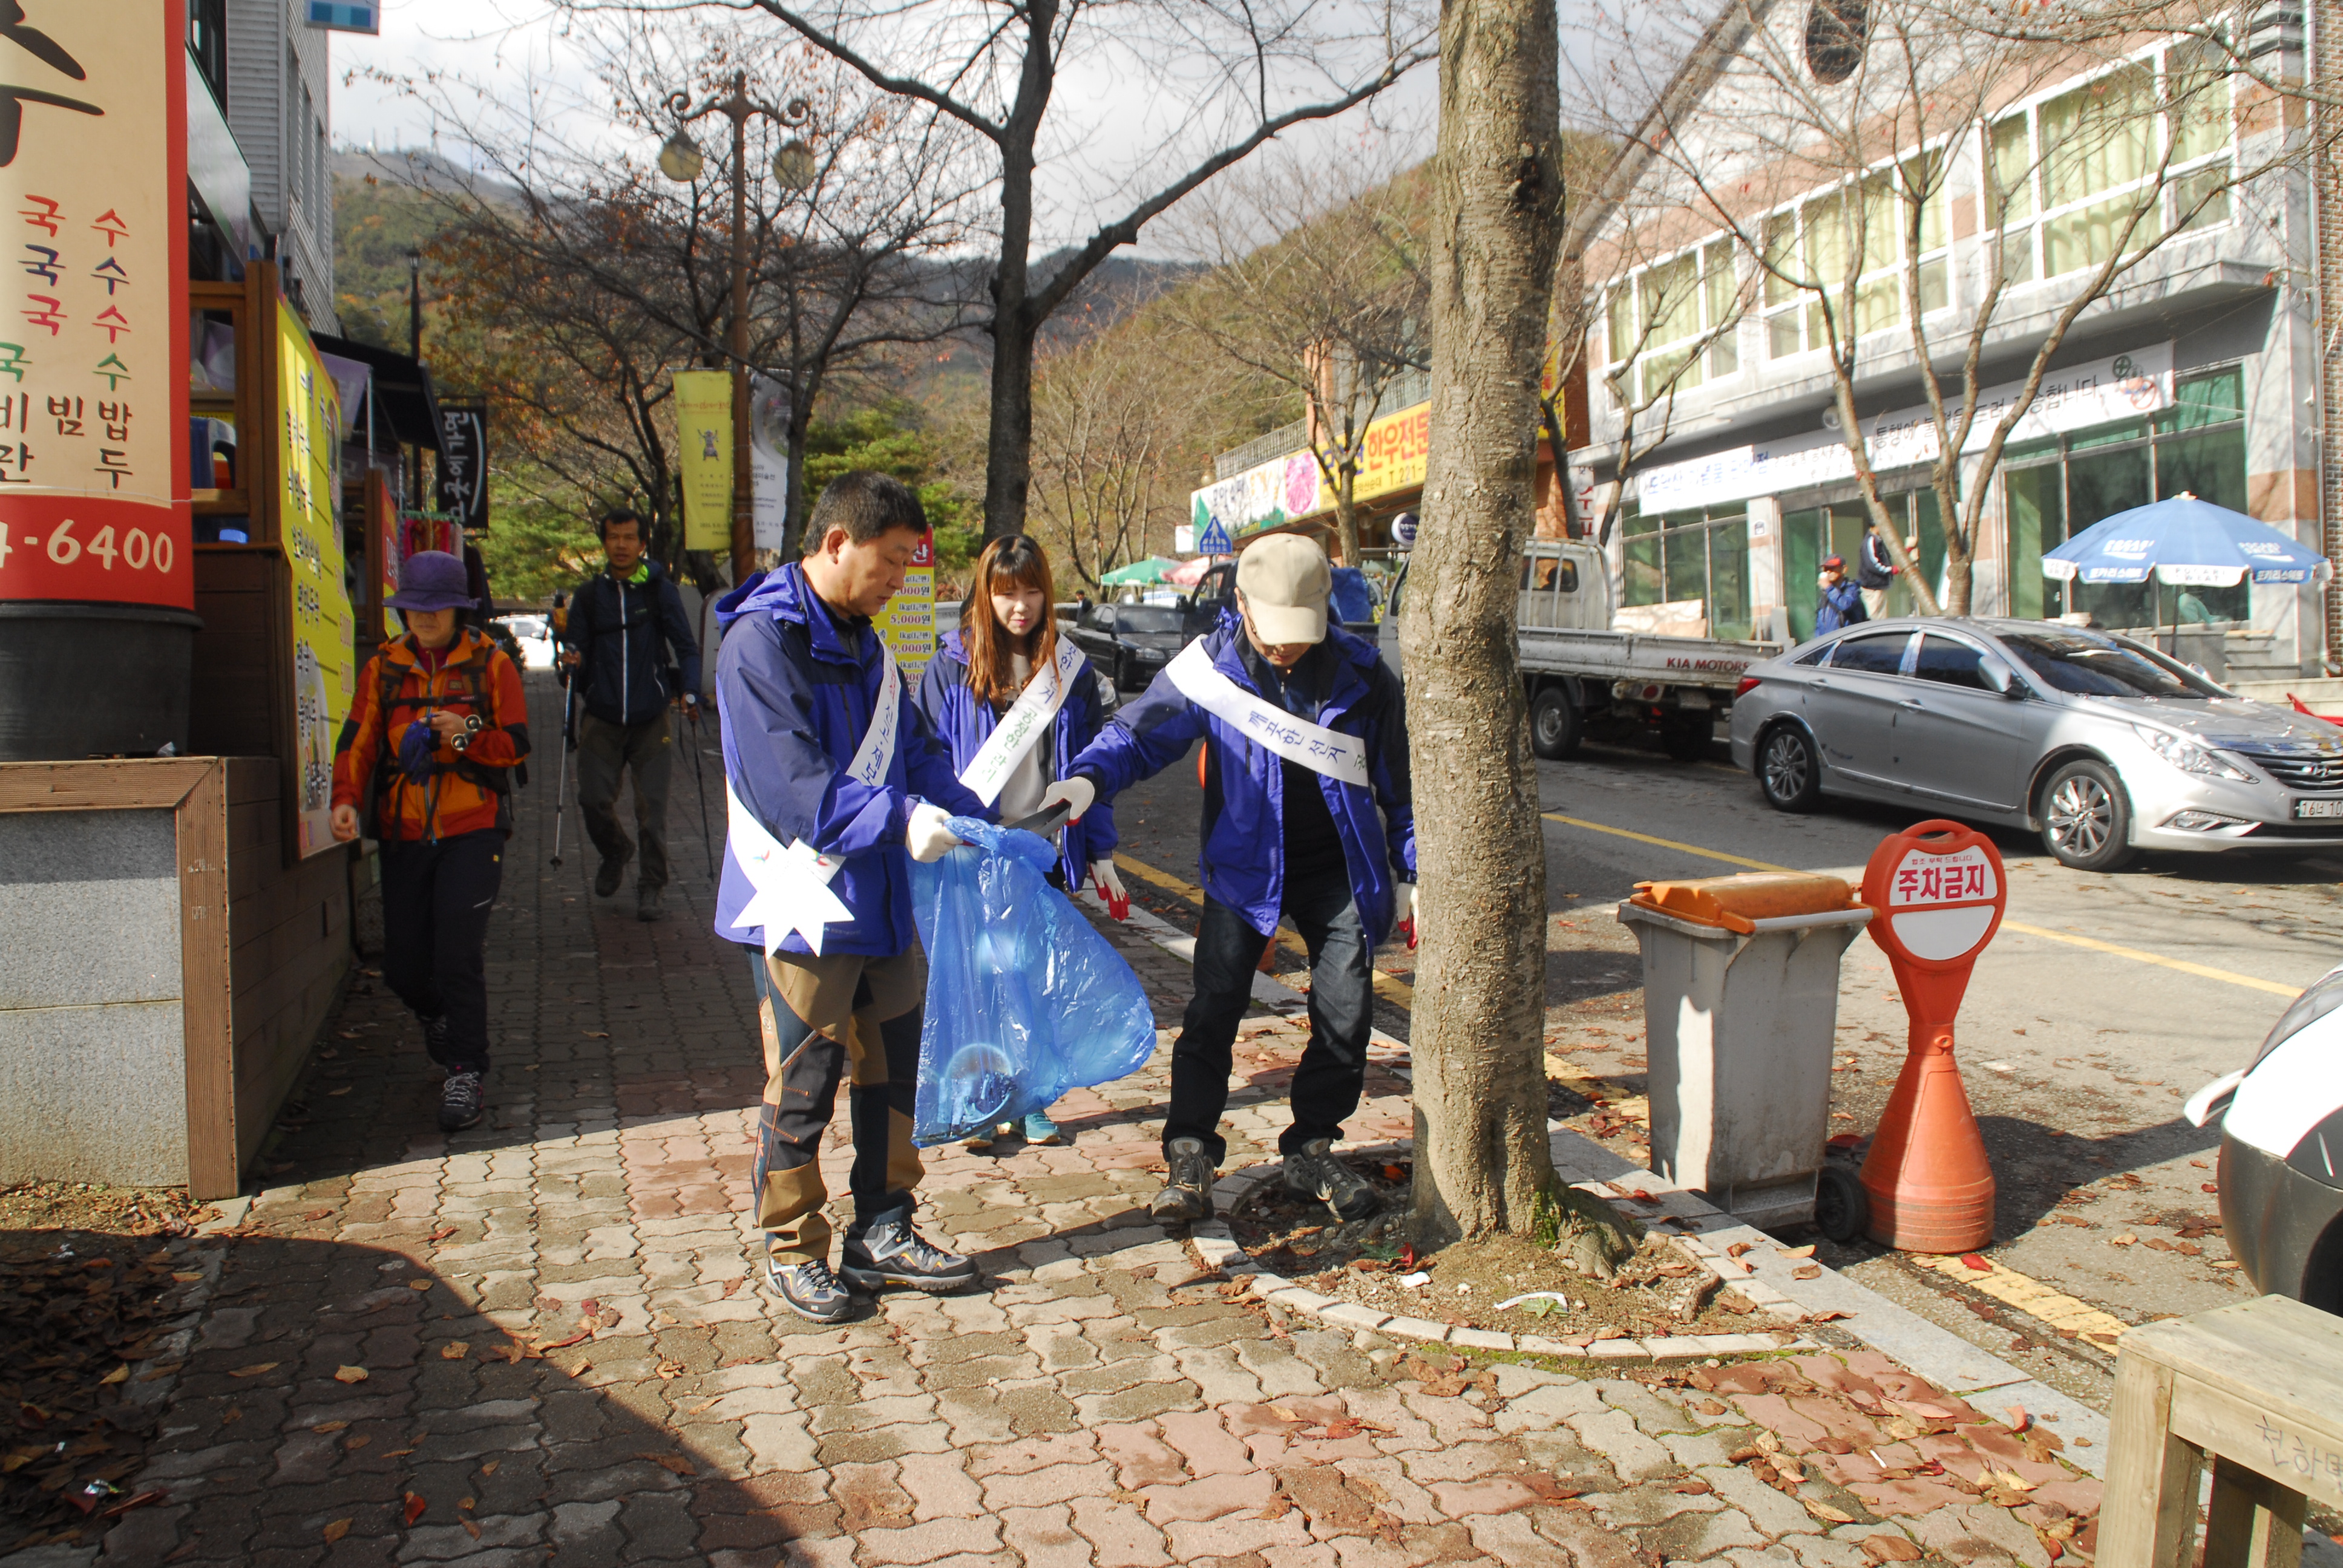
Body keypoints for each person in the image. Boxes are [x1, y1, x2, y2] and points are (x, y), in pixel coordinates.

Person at [1044, 534, 1415, 1226]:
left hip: (1339, 870)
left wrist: (1410, 868)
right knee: (1213, 1012)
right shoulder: (1209, 669)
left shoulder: (1364, 676)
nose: (1285, 649)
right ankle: (1190, 1151)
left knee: (1346, 1013)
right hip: (1244, 873)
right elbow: (1139, 733)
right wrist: (1089, 778)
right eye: (1273, 633)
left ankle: (1311, 1147)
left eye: (1299, 634)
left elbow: (1400, 787)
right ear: (1239, 603)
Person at [713, 471, 994, 1323]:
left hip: (879, 898)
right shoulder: (759, 645)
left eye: (909, 564)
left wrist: (979, 818)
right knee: (805, 1078)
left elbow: (914, 754)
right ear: (837, 543)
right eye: (893, 560)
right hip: (803, 900)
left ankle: (885, 1225)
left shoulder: (869, 644)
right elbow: (795, 790)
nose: (901, 580)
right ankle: (794, 1244)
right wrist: (909, 816)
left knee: (893, 1064)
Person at [913, 535, 1129, 1151]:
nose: (1020, 606)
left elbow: (1095, 767)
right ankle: (984, 1100)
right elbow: (923, 750)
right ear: (985, 593)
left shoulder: (1069, 667)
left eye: (1031, 590)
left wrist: (1104, 850)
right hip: (973, 848)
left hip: (1043, 845)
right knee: (977, 975)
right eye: (1006, 593)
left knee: (1034, 970)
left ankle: (1031, 1096)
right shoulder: (949, 665)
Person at [330, 551, 530, 1134]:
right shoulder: (385, 667)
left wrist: (465, 734)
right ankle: (437, 1017)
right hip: (403, 829)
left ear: (457, 610)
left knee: (457, 955)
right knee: (404, 965)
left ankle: (466, 1069)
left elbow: (515, 747)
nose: (422, 620)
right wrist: (345, 797)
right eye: (412, 609)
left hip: (473, 829)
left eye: (433, 609)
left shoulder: (492, 665)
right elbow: (359, 738)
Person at [560, 511, 701, 922]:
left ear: (643, 545)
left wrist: (689, 690)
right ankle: (615, 850)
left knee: (652, 810)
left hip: (650, 716)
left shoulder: (660, 592)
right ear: (603, 543)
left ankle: (652, 886)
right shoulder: (587, 597)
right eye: (613, 537)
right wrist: (569, 662)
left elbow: (686, 647)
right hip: (601, 715)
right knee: (592, 799)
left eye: (629, 538)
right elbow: (573, 659)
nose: (621, 545)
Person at [1856, 520, 1898, 620]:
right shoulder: (1871, 541)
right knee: (1875, 618)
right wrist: (1890, 570)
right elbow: (1873, 564)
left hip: (1878, 586)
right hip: (1873, 588)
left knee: (1881, 617)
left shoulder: (1878, 540)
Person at [1816, 555, 1866, 635]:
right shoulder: (1827, 593)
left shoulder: (1851, 589)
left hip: (1846, 643)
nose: (1828, 572)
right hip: (1827, 643)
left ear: (1844, 569)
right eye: (1826, 569)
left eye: (1832, 568)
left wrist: (1829, 588)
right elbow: (1820, 623)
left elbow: (1845, 605)